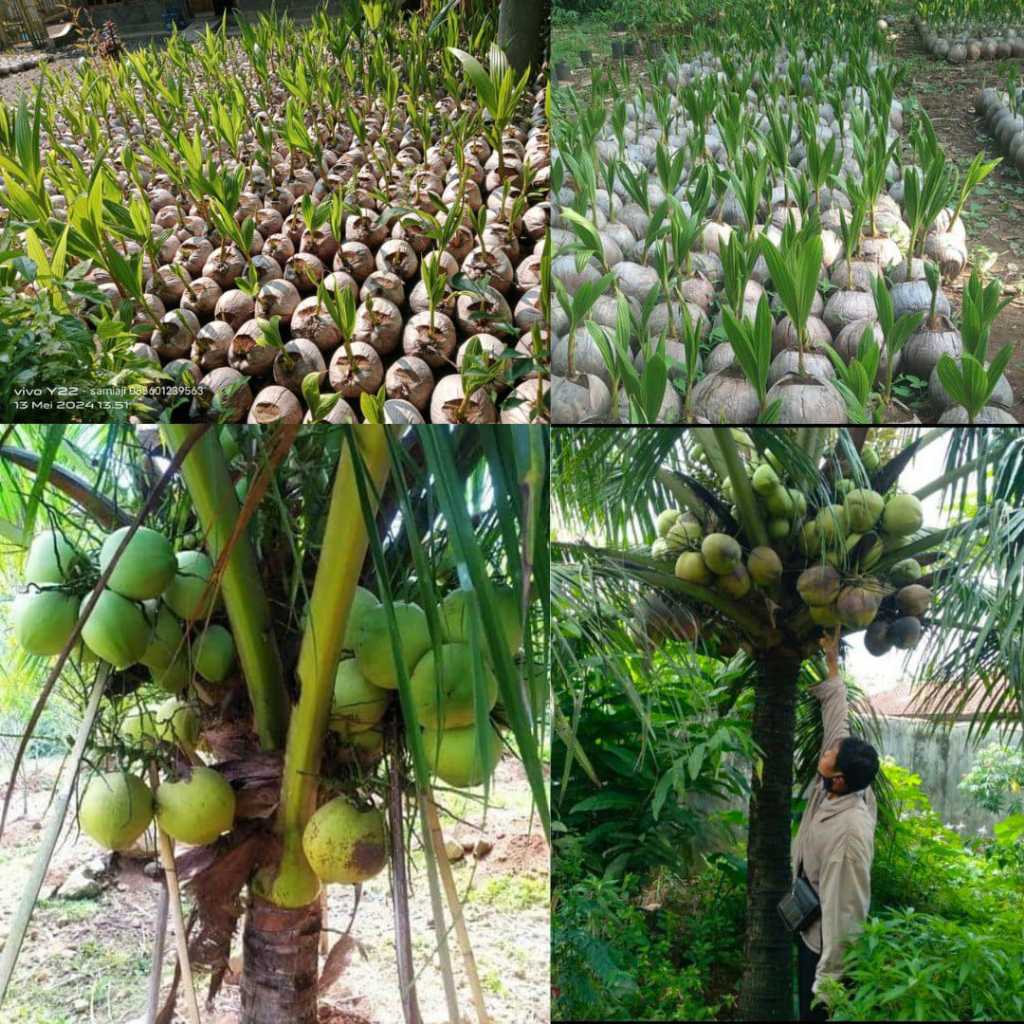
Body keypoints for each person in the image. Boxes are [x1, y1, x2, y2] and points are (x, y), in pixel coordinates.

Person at [791, 627, 879, 1021]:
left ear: (838, 778)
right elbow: (837, 720)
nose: (826, 749)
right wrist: (831, 660)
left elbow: (845, 913)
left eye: (829, 754)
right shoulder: (838, 783)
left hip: (826, 948)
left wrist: (828, 982)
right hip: (809, 923)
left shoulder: (849, 834)